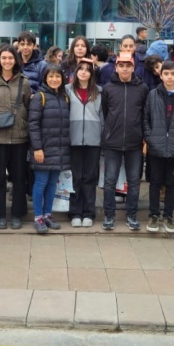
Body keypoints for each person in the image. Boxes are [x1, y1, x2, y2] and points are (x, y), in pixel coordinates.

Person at [0, 45, 33, 229]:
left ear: (16, 60)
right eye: (3, 58)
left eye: (10, 58)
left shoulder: (24, 81)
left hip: (20, 137)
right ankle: (0, 214)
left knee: (19, 178)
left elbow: (28, 106)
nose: (7, 61)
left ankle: (17, 214)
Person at [100, 51, 149, 231]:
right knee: (110, 180)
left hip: (135, 142)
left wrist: (144, 136)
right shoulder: (108, 88)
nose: (125, 68)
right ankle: (109, 215)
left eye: (128, 65)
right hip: (112, 141)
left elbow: (145, 114)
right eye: (121, 65)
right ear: (116, 67)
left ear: (133, 67)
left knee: (134, 181)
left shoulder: (142, 88)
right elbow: (106, 113)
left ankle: (132, 215)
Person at [143, 60, 174, 234]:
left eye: (173, 74)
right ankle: (153, 215)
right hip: (156, 146)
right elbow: (146, 119)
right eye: (166, 74)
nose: (170, 77)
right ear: (161, 75)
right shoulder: (152, 95)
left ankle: (169, 217)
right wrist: (149, 138)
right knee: (155, 183)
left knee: (172, 184)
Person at [28, 64, 71, 234]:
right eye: (51, 76)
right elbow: (33, 124)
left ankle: (47, 214)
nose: (54, 80)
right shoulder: (40, 97)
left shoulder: (64, 97)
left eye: (58, 76)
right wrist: (37, 148)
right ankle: (38, 217)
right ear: (45, 78)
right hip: (43, 150)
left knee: (52, 184)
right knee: (40, 184)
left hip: (60, 149)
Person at [66, 58, 102, 228]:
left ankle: (88, 212)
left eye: (88, 70)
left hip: (93, 141)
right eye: (81, 69)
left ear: (92, 73)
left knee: (89, 178)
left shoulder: (99, 92)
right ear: (76, 71)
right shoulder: (66, 90)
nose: (84, 72)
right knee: (75, 178)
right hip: (72, 140)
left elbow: (103, 117)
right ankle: (75, 212)